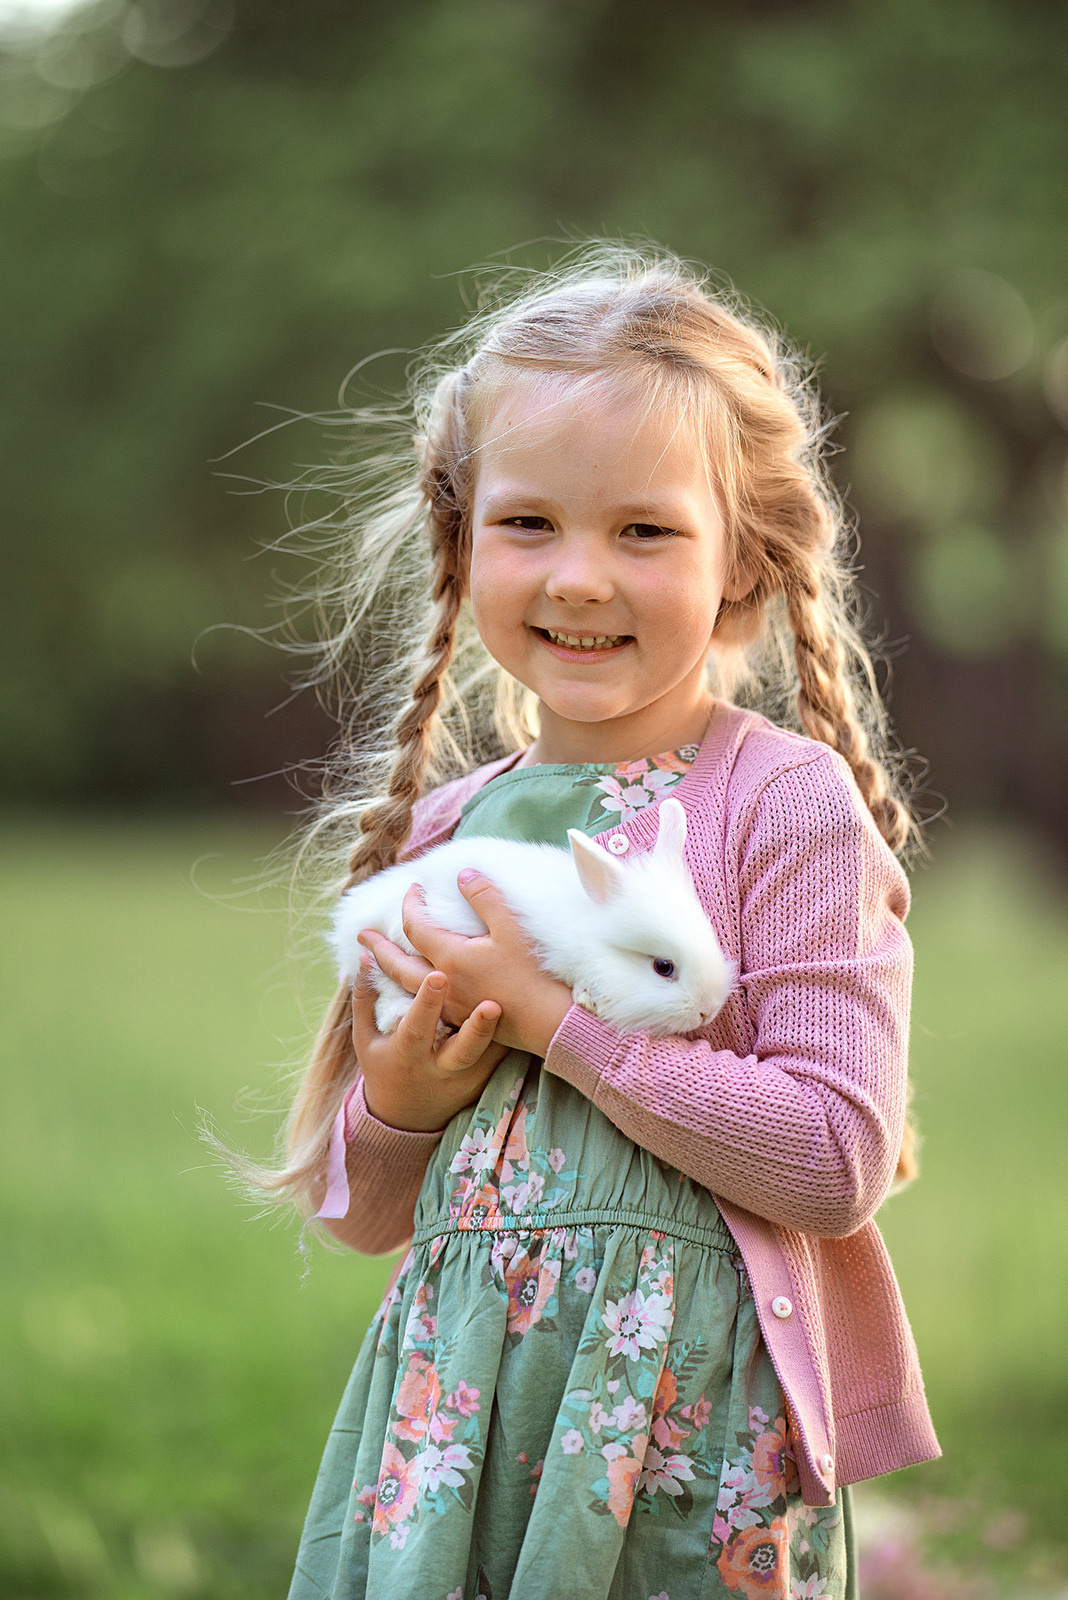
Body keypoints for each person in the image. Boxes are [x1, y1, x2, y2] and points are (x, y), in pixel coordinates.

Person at [262, 244, 939, 1599]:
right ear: (460, 540)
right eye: (529, 524)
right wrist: (395, 1101)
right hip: (455, 1423)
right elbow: (360, 1212)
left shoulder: (781, 807)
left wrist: (562, 1025)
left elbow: (830, 1159)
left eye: (643, 530)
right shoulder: (450, 836)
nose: (579, 578)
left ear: (743, 567)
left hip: (680, 1430)